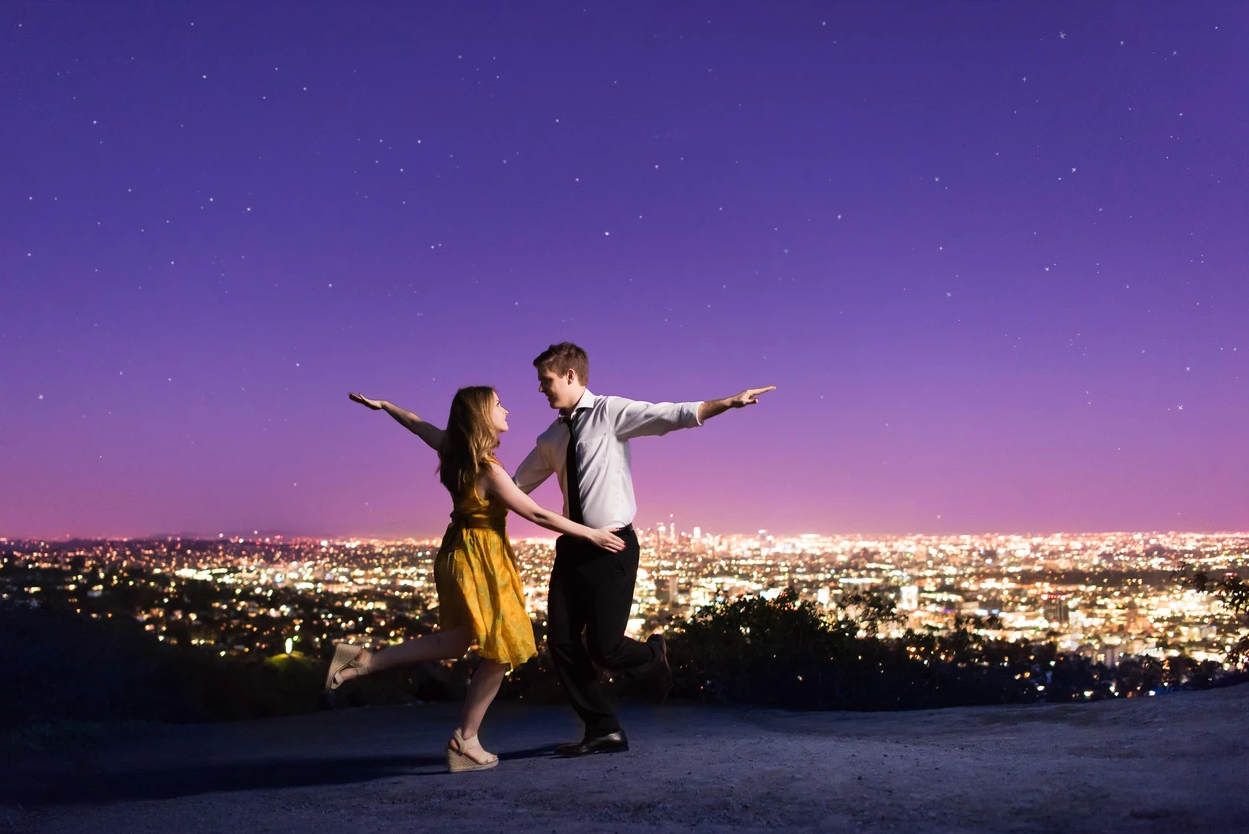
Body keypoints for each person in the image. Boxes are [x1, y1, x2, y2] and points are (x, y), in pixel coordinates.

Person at [332, 387, 625, 772]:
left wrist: (386, 406)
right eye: (498, 405)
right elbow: (537, 515)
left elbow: (418, 426)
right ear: (481, 416)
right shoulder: (488, 469)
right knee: (501, 649)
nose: (507, 410)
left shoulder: (454, 452)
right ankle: (466, 739)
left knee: (454, 641)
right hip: (483, 560)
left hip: (456, 553)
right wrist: (591, 533)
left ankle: (366, 660)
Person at [513, 342, 775, 756]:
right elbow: (517, 487)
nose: (541, 390)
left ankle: (654, 657)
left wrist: (727, 402)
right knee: (560, 644)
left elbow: (667, 415)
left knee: (604, 647)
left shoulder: (610, 413)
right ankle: (603, 730)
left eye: (546, 381)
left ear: (569, 376)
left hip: (613, 545)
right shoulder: (551, 436)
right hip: (573, 548)